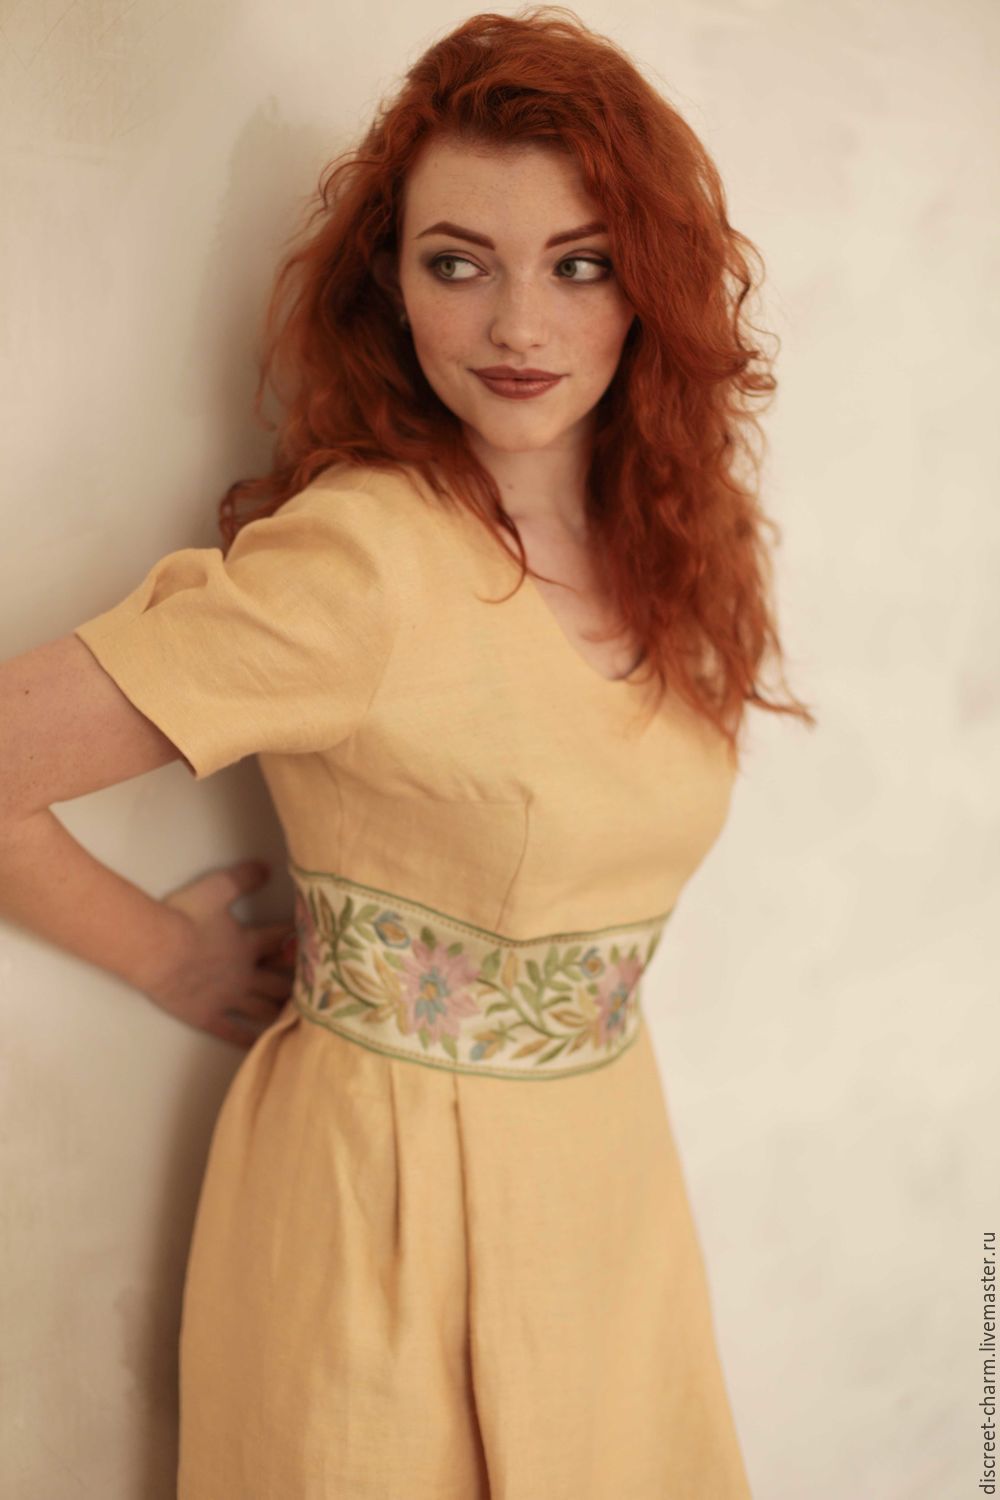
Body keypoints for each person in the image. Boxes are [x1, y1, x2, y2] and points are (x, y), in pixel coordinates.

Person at [0, 6, 816, 1496]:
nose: (520, 328)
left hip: (608, 1192)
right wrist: (161, 956)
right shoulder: (361, 565)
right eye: (460, 263)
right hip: (376, 1217)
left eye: (580, 263)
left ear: (650, 283)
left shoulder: (679, 540)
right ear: (392, 280)